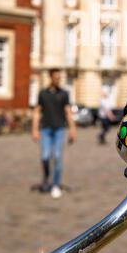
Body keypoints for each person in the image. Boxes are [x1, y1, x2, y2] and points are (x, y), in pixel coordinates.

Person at [32, 68, 77, 199]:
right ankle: (46, 177)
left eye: (60, 77)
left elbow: (68, 112)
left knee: (57, 157)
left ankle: (56, 184)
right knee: (45, 157)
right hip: (45, 129)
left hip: (59, 130)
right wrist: (35, 129)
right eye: (56, 77)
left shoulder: (64, 93)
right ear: (51, 77)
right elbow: (37, 111)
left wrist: (72, 129)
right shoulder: (43, 94)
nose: (58, 79)